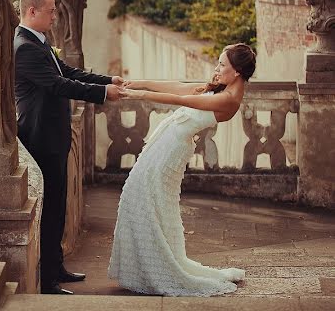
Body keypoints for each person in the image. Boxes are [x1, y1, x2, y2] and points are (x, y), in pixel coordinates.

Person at [108, 43, 257, 296]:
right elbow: (177, 87)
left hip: (170, 153)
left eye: (222, 64)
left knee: (145, 200)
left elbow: (181, 99)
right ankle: (145, 266)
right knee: (141, 199)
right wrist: (139, 83)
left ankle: (159, 267)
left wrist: (140, 96)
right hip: (162, 145)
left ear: (238, 72)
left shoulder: (228, 100)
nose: (217, 68)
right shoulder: (219, 87)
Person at [14, 0, 123, 294]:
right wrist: (102, 95)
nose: (55, 15)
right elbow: (57, 84)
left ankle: (56, 267)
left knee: (58, 206)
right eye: (50, 11)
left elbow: (67, 70)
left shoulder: (40, 41)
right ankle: (47, 281)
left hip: (54, 136)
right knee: (49, 209)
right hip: (40, 137)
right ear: (31, 12)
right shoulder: (23, 47)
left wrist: (107, 80)